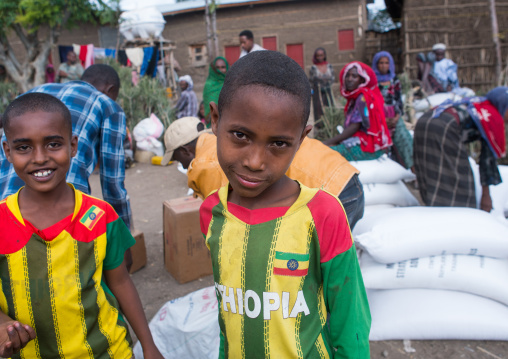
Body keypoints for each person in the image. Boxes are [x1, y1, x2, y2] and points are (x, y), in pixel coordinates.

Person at [199, 51, 371, 357]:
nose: (254, 162)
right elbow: (228, 316)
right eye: (240, 135)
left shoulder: (323, 214)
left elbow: (350, 323)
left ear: (301, 140)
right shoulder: (211, 213)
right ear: (214, 120)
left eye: (278, 143)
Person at [0, 93, 163, 358]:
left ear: (73, 145)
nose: (40, 158)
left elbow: (121, 283)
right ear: (7, 151)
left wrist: (148, 345)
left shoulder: (100, 216)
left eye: (53, 144)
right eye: (23, 147)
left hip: (108, 352)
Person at [161, 116, 365, 229]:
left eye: (179, 159)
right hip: (344, 180)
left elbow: (228, 221)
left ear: (185, 150)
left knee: (311, 274)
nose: (183, 166)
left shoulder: (206, 163)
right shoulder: (223, 141)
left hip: (333, 194)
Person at [0, 64, 133, 230]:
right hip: (65, 217)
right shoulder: (108, 106)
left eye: (53, 144)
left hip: (7, 209)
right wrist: (124, 234)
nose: (39, 158)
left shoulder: (35, 92)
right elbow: (113, 185)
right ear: (110, 89)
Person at [413, 87, 507, 212]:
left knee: (434, 174)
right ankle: (459, 220)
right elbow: (487, 160)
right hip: (444, 126)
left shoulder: (477, 103)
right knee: (461, 183)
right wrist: (486, 196)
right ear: (503, 104)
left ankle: (435, 213)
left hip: (424, 121)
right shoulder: (492, 117)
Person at [324, 61, 392, 161]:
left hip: (369, 147)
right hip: (362, 141)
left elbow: (355, 127)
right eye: (347, 76)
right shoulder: (356, 97)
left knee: (327, 153)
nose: (349, 79)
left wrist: (327, 142)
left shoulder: (362, 98)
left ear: (361, 80)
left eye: (354, 76)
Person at [372, 51, 414, 169]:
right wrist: (382, 119)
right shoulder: (372, 82)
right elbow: (371, 103)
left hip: (394, 116)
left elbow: (399, 101)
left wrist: (396, 118)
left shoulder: (394, 80)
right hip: (378, 117)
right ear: (376, 64)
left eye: (386, 63)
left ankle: (413, 170)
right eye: (381, 63)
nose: (384, 66)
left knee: (404, 139)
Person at [309, 47, 335, 123]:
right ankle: (320, 130)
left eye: (321, 55)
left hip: (328, 92)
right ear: (315, 57)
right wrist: (312, 93)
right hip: (318, 93)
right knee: (319, 111)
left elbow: (333, 78)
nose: (320, 57)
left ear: (324, 56)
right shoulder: (313, 68)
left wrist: (327, 87)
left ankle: (331, 126)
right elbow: (311, 82)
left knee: (330, 109)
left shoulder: (329, 66)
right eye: (318, 55)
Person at [202, 56, 229, 126]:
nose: (219, 70)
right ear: (213, 69)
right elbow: (209, 108)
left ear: (227, 68)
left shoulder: (231, 83)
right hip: (213, 124)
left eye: (223, 67)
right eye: (217, 67)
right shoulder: (209, 85)